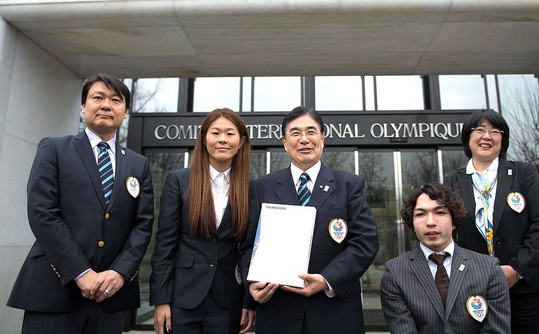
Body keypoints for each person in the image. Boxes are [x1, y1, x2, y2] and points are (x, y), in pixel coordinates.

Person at [7, 73, 154, 334]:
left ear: (126, 111)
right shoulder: (54, 148)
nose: (106, 105)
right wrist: (80, 271)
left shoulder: (138, 164)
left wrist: (119, 273)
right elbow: (43, 213)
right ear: (83, 106)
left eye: (115, 100)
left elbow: (143, 224)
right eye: (98, 97)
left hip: (110, 297)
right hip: (54, 290)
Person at [240, 106, 379, 334]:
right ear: (285, 142)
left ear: (322, 138)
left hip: (334, 313)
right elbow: (247, 247)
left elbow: (366, 242)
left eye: (311, 132)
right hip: (278, 313)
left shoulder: (349, 185)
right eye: (295, 133)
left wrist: (326, 279)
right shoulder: (260, 187)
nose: (304, 139)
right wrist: (251, 285)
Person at [444, 109, 539, 334]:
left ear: (503, 140)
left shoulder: (523, 173)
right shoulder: (452, 181)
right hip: (475, 290)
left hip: (526, 289)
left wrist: (517, 269)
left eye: (495, 131)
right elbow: (448, 234)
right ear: (468, 137)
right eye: (480, 130)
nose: (487, 136)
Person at [149, 108, 254, 334]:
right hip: (183, 297)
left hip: (227, 300)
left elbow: (248, 250)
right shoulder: (179, 180)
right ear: (204, 139)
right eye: (215, 133)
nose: (222, 140)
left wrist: (248, 301)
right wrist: (161, 299)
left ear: (242, 141)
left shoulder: (249, 187)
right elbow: (165, 245)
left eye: (230, 133)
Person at [380, 182, 511, 334]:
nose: (430, 222)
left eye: (440, 212)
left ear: (454, 220)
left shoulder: (489, 269)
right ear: (412, 223)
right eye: (420, 214)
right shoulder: (395, 273)